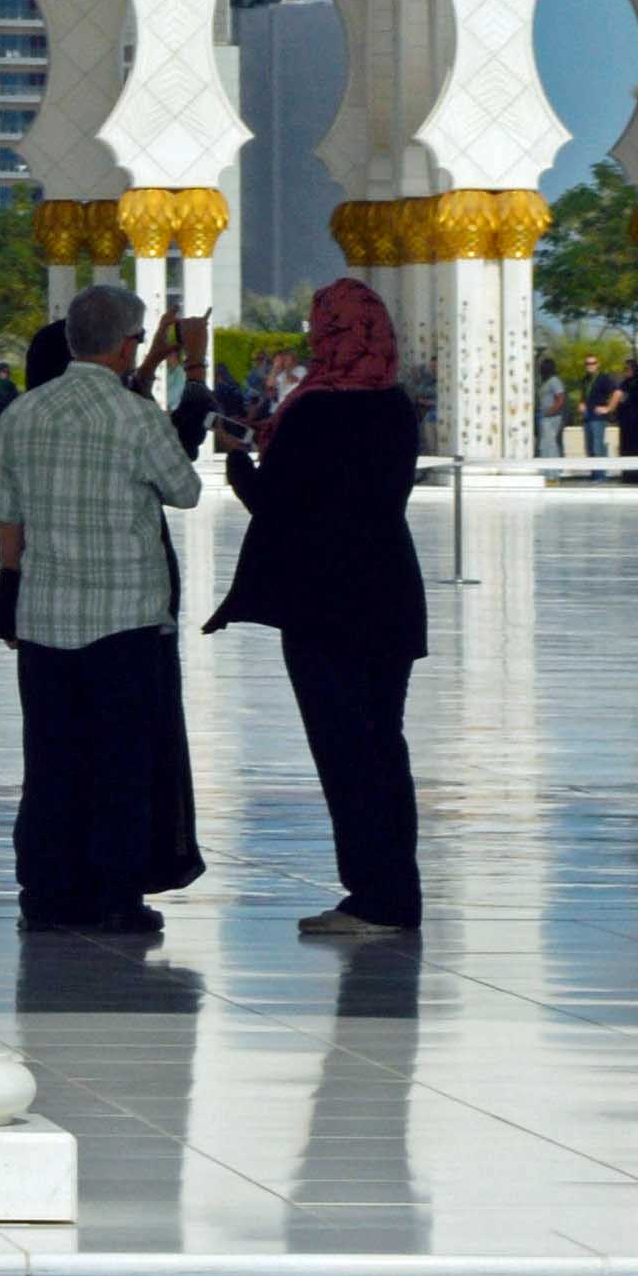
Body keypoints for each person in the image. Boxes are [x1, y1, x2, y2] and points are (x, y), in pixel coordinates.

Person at [210, 272, 427, 937]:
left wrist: (237, 461)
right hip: (389, 597)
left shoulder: (314, 408)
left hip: (326, 603)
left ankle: (373, 900)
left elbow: (280, 507)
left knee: (345, 750)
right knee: (382, 745)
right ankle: (395, 895)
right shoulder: (397, 406)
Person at [0, 279, 203, 934]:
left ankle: (48, 891)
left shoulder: (22, 414)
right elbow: (186, 489)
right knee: (123, 760)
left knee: (52, 759)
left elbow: (10, 514)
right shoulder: (135, 418)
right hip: (127, 618)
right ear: (122, 346)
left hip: (46, 618)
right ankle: (116, 895)